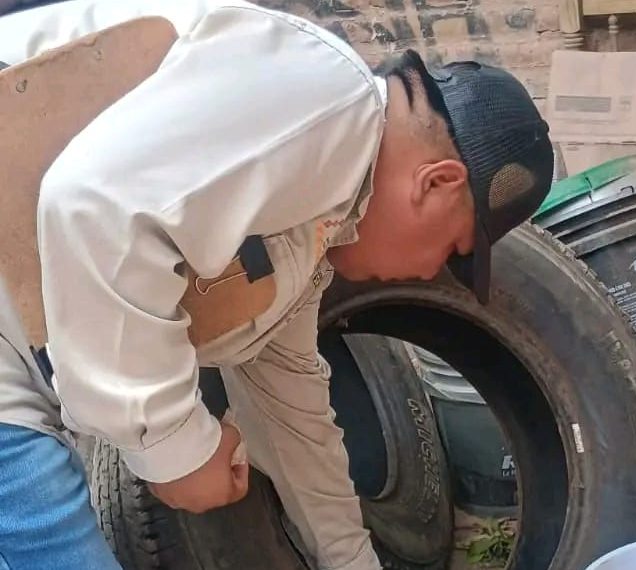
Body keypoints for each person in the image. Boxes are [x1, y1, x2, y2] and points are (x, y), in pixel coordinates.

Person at [0, 1, 553, 569]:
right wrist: (175, 448)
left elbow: (296, 425)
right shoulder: (328, 99)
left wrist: (351, 562)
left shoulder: (311, 223)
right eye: (450, 250)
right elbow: (95, 206)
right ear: (436, 183)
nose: (428, 271)